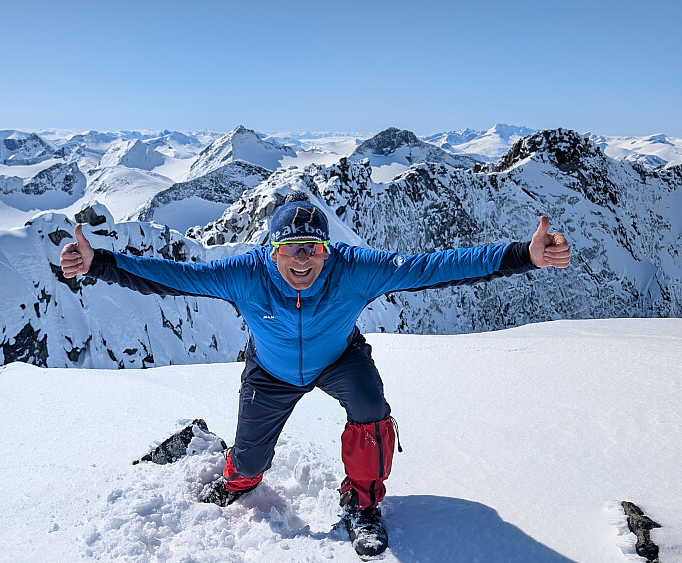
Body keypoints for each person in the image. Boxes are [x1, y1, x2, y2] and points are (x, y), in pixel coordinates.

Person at [59, 191, 571, 556]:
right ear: (271, 249)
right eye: (290, 249)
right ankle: (239, 477)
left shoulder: (354, 269)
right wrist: (97, 263)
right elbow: (174, 277)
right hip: (272, 371)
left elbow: (432, 267)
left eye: (314, 248)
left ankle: (364, 504)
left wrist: (522, 256)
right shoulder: (245, 274)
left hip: (338, 359)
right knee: (250, 458)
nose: (303, 260)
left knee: (371, 409)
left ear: (328, 249)